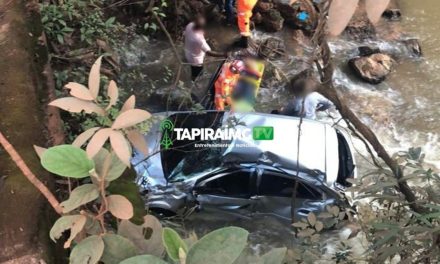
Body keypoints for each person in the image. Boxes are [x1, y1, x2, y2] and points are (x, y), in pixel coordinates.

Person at [184, 15, 227, 80]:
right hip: (196, 61)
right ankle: (195, 81)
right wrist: (224, 54)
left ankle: (196, 76)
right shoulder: (199, 39)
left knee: (193, 68)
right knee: (197, 72)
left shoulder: (189, 25)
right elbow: (209, 53)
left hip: (188, 52)